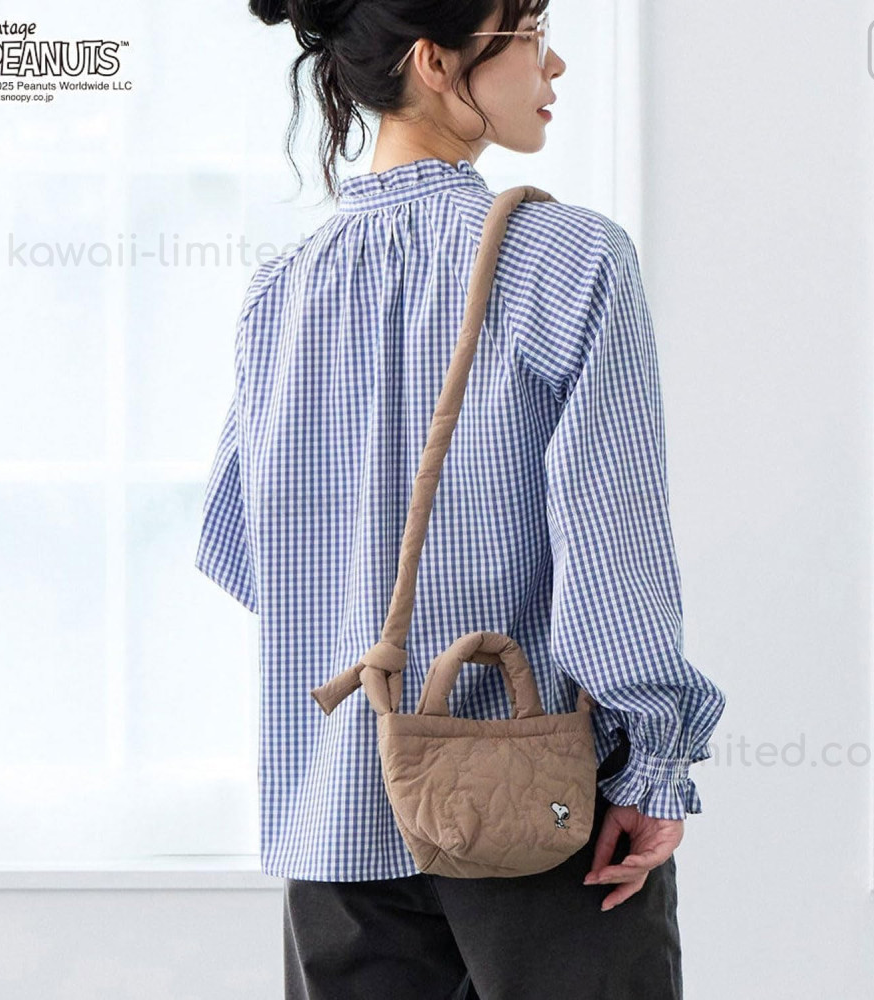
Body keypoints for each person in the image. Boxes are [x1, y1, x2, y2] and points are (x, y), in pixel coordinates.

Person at [195, 1, 728, 997]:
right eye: (530, 31)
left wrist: (361, 631)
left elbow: (237, 547)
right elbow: (611, 549)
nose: (554, 64)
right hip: (542, 811)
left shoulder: (281, 288)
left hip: (338, 813)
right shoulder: (572, 260)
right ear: (437, 62)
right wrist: (654, 764)